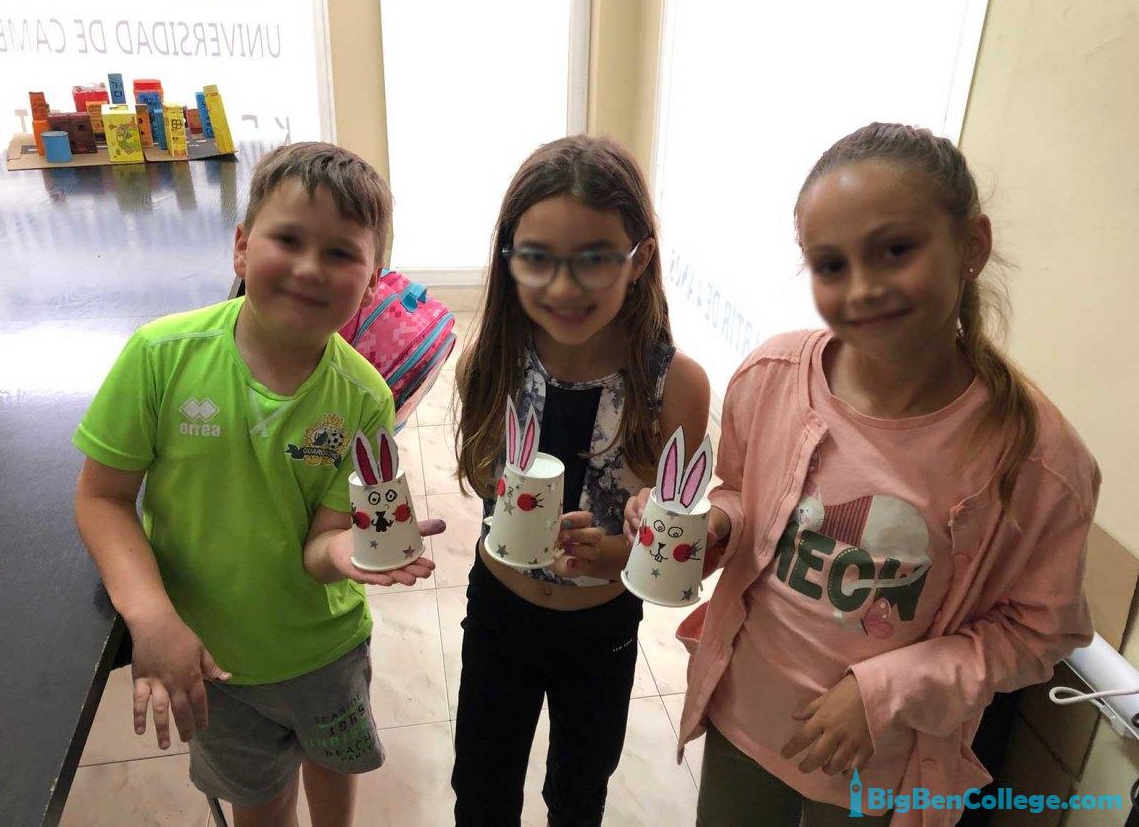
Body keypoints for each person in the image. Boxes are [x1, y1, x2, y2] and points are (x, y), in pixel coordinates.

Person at [625, 123, 1100, 826]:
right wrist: (714, 525)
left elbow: (1040, 632)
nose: (864, 289)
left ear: (971, 246)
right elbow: (742, 496)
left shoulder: (1038, 461)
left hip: (880, 768)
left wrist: (889, 690)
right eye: (831, 265)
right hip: (743, 721)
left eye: (896, 250)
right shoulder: (771, 378)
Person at [73, 142, 442, 827]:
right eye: (289, 239)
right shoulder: (159, 356)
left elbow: (321, 544)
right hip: (213, 660)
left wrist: (352, 552)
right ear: (242, 247)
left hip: (326, 653)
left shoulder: (365, 397)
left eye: (340, 252)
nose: (309, 267)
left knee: (335, 768)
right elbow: (103, 498)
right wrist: (153, 618)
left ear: (371, 284)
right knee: (259, 805)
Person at [450, 134, 711, 826]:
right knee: (481, 788)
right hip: (499, 611)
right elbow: (485, 480)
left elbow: (670, 537)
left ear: (640, 259)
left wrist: (623, 552)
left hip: (601, 628)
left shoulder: (675, 386)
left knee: (578, 793)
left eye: (595, 260)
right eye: (538, 259)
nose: (564, 288)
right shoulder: (491, 361)